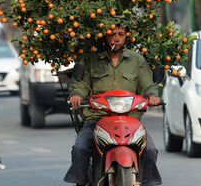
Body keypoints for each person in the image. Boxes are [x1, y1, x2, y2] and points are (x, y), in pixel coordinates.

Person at [64, 25, 161, 186]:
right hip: (97, 119)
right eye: (112, 34)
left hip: (130, 121)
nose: (116, 38)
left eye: (121, 34)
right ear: (104, 37)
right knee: (80, 147)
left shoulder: (137, 60)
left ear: (126, 37)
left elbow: (148, 86)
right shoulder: (91, 60)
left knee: (150, 150)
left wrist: (152, 96)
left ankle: (148, 182)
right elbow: (80, 84)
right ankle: (81, 183)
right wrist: (77, 95)